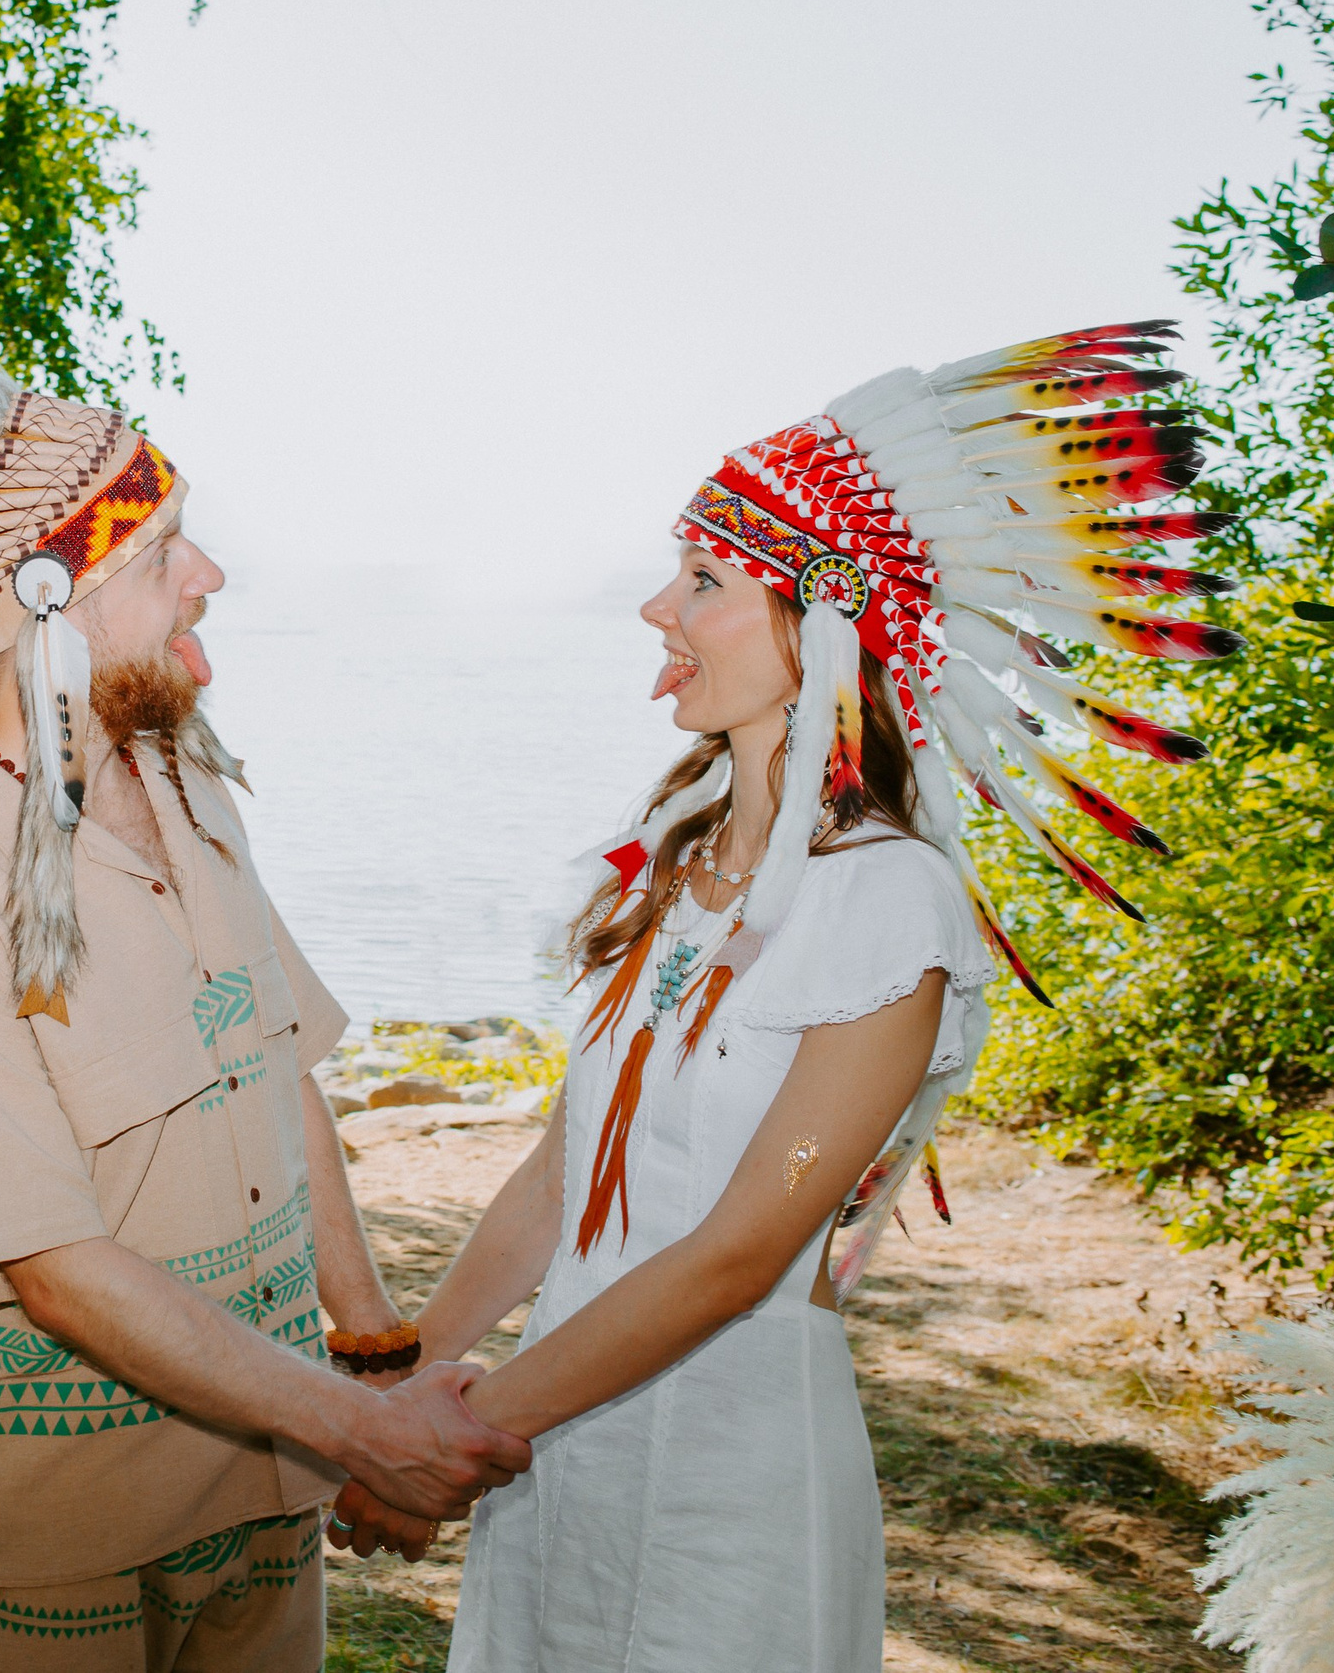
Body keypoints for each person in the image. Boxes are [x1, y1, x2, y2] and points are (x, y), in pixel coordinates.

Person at [321, 323, 1243, 1669]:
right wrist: (404, 1387)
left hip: (725, 1474)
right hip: (563, 1440)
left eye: (702, 580)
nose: (657, 610)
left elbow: (749, 1245)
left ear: (819, 620)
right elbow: (569, 1161)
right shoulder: (674, 870)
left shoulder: (888, 908)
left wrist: (460, 1445)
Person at [0, 355, 530, 1672]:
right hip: (66, 1540)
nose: (210, 575)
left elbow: (283, 1078)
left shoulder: (186, 781)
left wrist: (376, 1368)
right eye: (167, 546)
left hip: (270, 1500)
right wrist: (358, 1435)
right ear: (42, 593)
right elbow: (54, 1272)